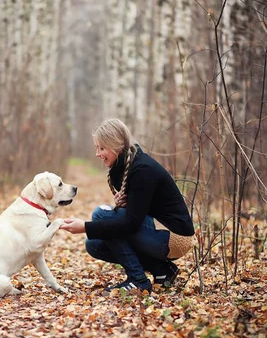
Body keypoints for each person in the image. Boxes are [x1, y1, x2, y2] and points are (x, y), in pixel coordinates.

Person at [60, 118, 194, 293]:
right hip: (161, 233)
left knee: (100, 214)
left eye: (101, 148)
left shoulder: (142, 169)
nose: (97, 154)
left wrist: (85, 226)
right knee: (93, 244)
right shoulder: (126, 167)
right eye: (96, 148)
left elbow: (131, 224)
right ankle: (162, 270)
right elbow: (141, 210)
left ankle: (138, 280)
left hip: (176, 238)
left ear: (116, 145)